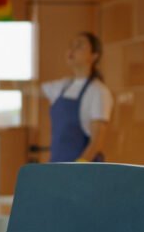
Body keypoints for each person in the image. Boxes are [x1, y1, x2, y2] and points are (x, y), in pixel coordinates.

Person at [42, 31, 113, 162]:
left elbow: (97, 140)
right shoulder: (62, 86)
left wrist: (80, 166)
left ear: (94, 56)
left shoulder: (98, 91)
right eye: (71, 45)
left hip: (83, 172)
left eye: (79, 45)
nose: (72, 49)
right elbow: (29, 90)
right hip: (58, 167)